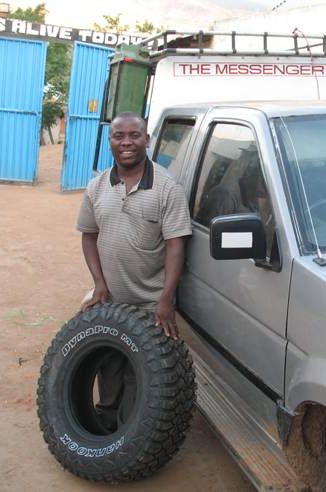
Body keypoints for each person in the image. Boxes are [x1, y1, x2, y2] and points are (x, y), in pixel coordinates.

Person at [76, 111, 192, 431]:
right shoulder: (97, 187)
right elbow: (89, 234)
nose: (126, 142)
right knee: (108, 363)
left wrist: (166, 300)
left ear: (147, 140)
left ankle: (130, 435)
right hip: (110, 297)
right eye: (119, 136)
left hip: (150, 303)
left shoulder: (167, 188)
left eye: (134, 136)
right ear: (110, 141)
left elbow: (175, 246)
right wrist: (99, 284)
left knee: (141, 370)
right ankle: (105, 424)